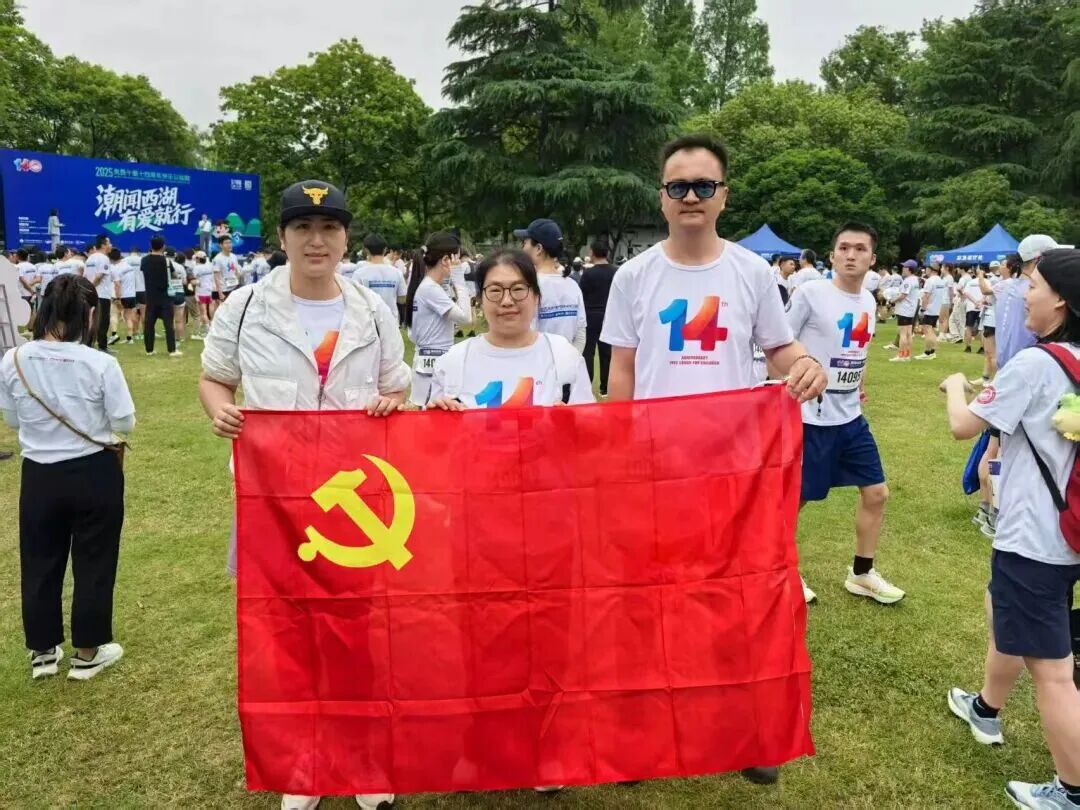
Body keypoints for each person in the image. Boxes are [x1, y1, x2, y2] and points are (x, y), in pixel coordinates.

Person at [601, 134, 827, 787]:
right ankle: (640, 736)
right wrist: (616, 449)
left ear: (724, 195)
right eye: (679, 187)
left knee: (738, 599)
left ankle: (748, 730)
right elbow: (621, 370)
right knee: (645, 605)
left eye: (704, 185)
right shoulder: (634, 276)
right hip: (653, 468)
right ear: (662, 198)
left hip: (734, 472)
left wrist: (805, 363)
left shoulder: (751, 273)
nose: (691, 197)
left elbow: (779, 349)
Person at [199, 180, 407, 810]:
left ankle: (364, 760)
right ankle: (305, 765)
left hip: (355, 504)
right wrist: (220, 410)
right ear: (283, 237)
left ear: (345, 238)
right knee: (288, 634)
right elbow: (215, 378)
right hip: (275, 502)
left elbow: (396, 385)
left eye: (330, 228)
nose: (317, 241)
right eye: (303, 228)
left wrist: (389, 403)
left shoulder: (372, 310)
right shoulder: (244, 307)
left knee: (357, 632)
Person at [941, 249, 1080, 810]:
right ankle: (986, 708)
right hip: (1070, 534)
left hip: (1035, 537)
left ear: (1061, 300)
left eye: (1034, 284)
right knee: (1004, 609)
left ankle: (1072, 791)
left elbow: (963, 425)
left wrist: (956, 383)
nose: (1025, 294)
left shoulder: (1036, 364)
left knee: (1054, 672)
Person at [0, 274, 134, 681]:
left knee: (39, 559)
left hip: (39, 473)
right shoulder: (100, 362)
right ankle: (88, 652)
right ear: (89, 315)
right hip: (93, 470)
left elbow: (11, 419)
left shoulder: (13, 359)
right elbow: (124, 422)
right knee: (95, 559)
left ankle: (43, 651)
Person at [787, 224, 905, 606]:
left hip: (850, 416)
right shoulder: (810, 294)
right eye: (843, 248)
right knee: (794, 501)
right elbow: (778, 343)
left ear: (873, 258)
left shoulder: (868, 301)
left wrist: (858, 382)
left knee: (876, 493)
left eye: (860, 249)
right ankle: (782, 572)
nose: (851, 255)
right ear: (832, 254)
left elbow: (858, 350)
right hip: (808, 418)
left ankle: (862, 573)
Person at [428, 249, 594, 410]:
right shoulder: (452, 363)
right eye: (495, 290)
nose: (507, 301)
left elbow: (591, 423)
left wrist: (574, 421)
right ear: (480, 300)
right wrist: (437, 416)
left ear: (536, 297)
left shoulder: (565, 356)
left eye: (518, 289)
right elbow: (434, 426)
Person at [404, 231, 473, 407]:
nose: (459, 264)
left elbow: (413, 334)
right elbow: (466, 317)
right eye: (457, 259)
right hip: (433, 362)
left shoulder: (428, 286)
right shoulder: (430, 289)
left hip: (429, 361)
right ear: (446, 260)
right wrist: (459, 279)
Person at [997, 236, 1074, 369]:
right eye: (1054, 258)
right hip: (1031, 367)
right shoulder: (1040, 292)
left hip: (1007, 367)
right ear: (1038, 260)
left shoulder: (1006, 287)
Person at [515, 218, 587, 353]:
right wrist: (572, 360)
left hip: (538, 362)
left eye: (525, 243)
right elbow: (580, 334)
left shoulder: (530, 286)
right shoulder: (573, 286)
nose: (522, 248)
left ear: (538, 249)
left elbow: (526, 333)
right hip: (568, 360)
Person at [579, 239, 618, 396]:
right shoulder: (616, 272)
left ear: (592, 253)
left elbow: (581, 295)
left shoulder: (588, 273)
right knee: (606, 353)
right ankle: (605, 388)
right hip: (609, 315)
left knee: (588, 352)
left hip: (590, 315)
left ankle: (587, 386)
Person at [140, 236, 180, 357]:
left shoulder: (144, 260)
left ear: (151, 246)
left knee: (149, 325)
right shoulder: (166, 261)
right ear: (163, 246)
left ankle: (149, 350)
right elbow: (174, 275)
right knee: (168, 325)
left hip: (150, 297)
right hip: (165, 297)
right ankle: (172, 350)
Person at [354, 234, 407, 323]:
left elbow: (354, 300)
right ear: (385, 250)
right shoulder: (397, 272)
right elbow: (402, 299)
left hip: (368, 323)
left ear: (366, 250)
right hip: (391, 322)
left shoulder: (359, 273)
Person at [84, 236, 113, 352]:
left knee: (91, 320)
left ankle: (89, 344)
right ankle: (102, 346)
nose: (111, 245)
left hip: (90, 295)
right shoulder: (104, 258)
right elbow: (99, 276)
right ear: (103, 245)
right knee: (103, 321)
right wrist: (92, 287)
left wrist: (87, 289)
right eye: (109, 243)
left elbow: (85, 276)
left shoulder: (90, 259)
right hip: (101, 294)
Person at [888, 260, 921, 362]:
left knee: (903, 333)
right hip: (911, 309)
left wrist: (892, 301)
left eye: (904, 267)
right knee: (908, 333)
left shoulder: (908, 281)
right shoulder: (915, 279)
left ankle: (901, 356)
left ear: (909, 269)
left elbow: (903, 295)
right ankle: (907, 355)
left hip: (904, 310)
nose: (903, 269)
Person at [916, 263, 946, 360]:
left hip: (929, 309)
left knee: (928, 330)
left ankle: (929, 352)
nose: (926, 271)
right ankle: (930, 351)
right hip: (936, 308)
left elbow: (926, 296)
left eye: (926, 269)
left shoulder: (930, 281)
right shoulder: (940, 280)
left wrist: (923, 309)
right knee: (930, 330)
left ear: (931, 270)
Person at [212, 235, 241, 300]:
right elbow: (216, 277)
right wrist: (220, 293)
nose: (229, 245)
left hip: (234, 289)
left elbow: (236, 271)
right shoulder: (217, 259)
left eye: (230, 242)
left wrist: (237, 283)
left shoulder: (234, 256)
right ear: (221, 245)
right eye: (226, 243)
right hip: (224, 290)